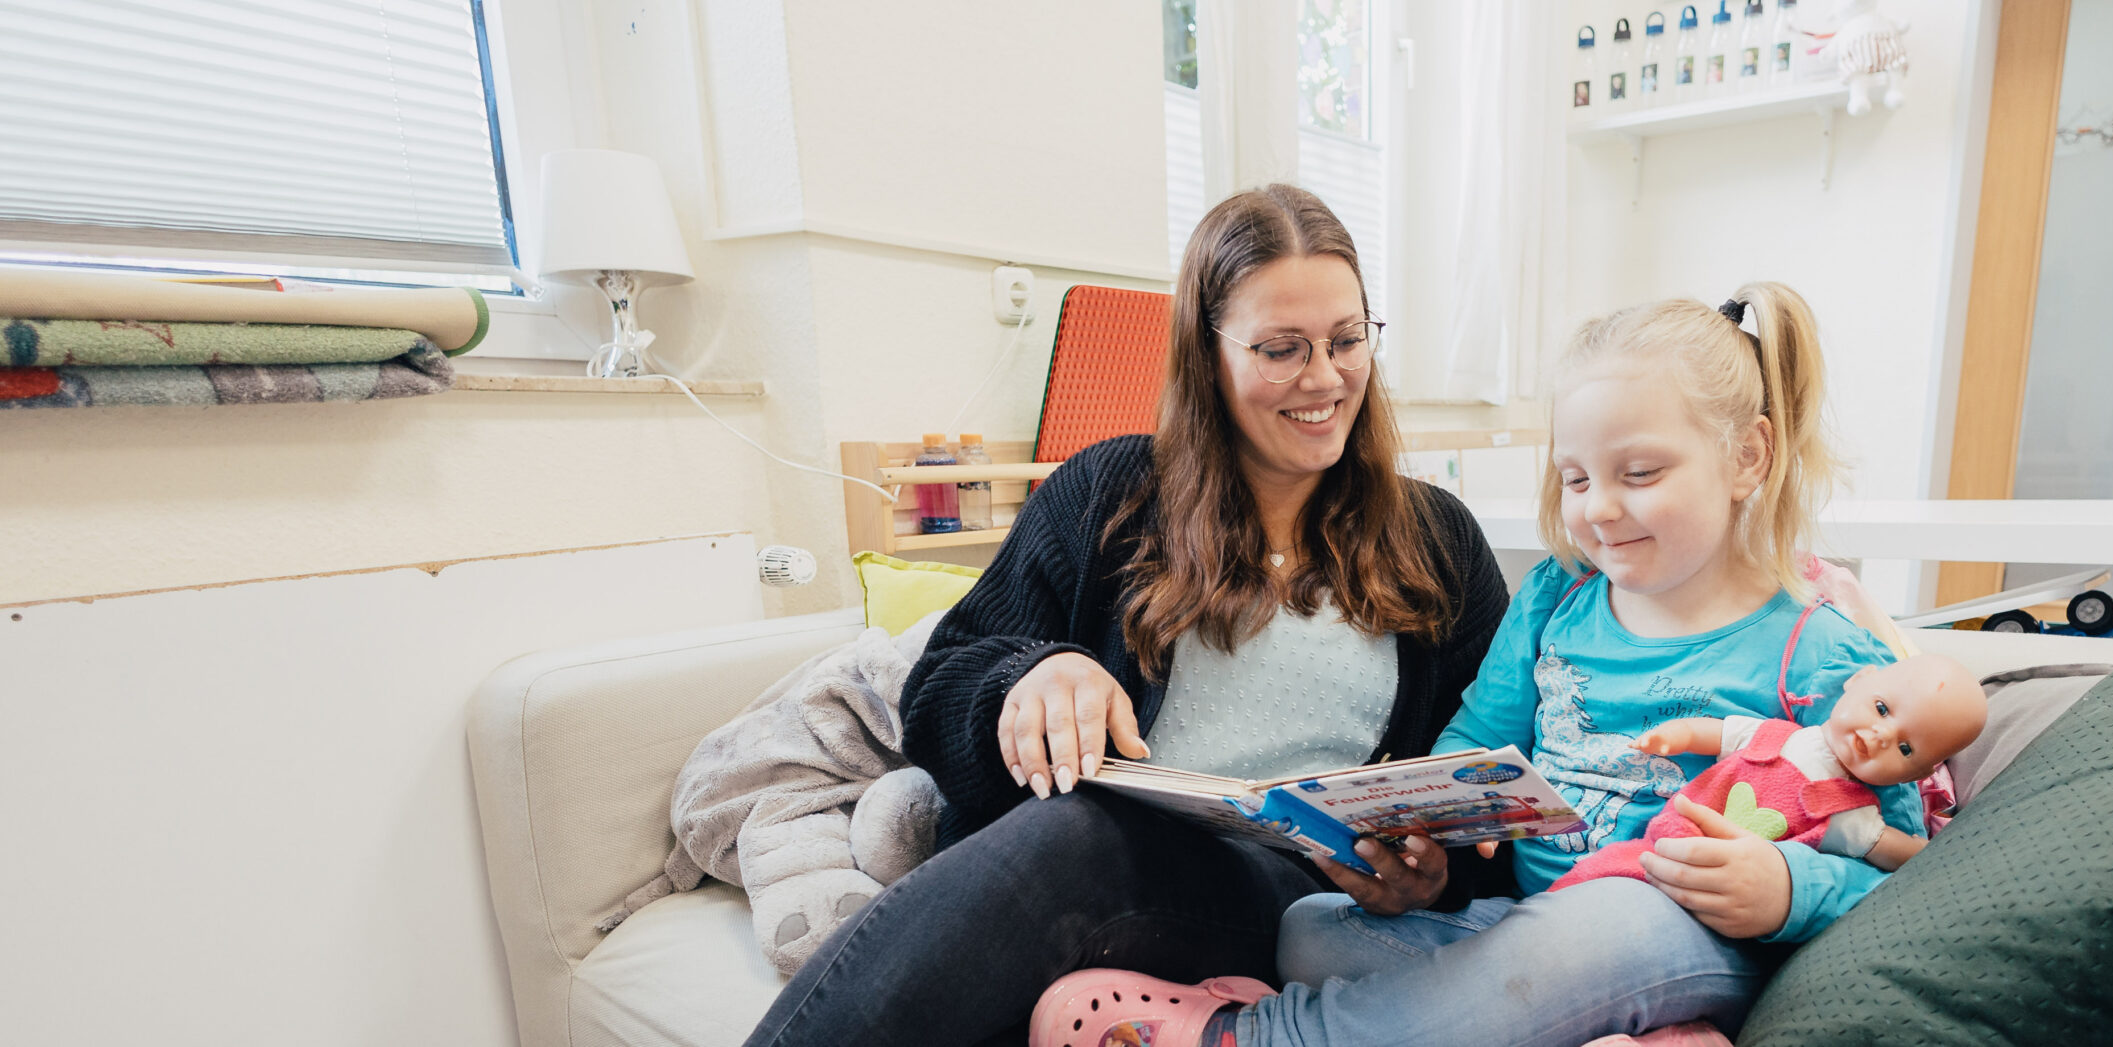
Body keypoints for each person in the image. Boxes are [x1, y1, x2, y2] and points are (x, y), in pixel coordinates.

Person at [1031, 288, 1925, 1047]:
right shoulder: (1555, 603)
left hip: (1695, 931)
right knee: (1310, 933)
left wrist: (1786, 889)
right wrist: (1417, 820)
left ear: (1748, 457)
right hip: (1527, 928)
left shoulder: (1823, 652)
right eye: (1576, 479)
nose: (1601, 509)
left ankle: (1253, 1033)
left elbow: (1910, 870)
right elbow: (1474, 742)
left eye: (1640, 472)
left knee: (1610, 923)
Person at [738, 183, 1513, 1047]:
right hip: (1113, 881)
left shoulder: (1438, 537)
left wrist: (1431, 878)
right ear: (1206, 352)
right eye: (1281, 349)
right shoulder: (1111, 490)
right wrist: (1029, 671)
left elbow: (1498, 798)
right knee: (1084, 835)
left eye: (1346, 339)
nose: (1325, 378)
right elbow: (938, 693)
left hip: (1305, 905)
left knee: (1081, 840)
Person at [1549, 652, 1987, 890]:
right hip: (1658, 842)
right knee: (1587, 877)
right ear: (1858, 680)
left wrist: (1948, 856)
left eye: (1905, 747)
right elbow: (1718, 733)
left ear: (1918, 773)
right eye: (1881, 708)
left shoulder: (1851, 814)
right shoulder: (1778, 735)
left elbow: (1899, 852)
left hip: (1716, 888)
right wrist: (1676, 735)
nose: (1879, 735)